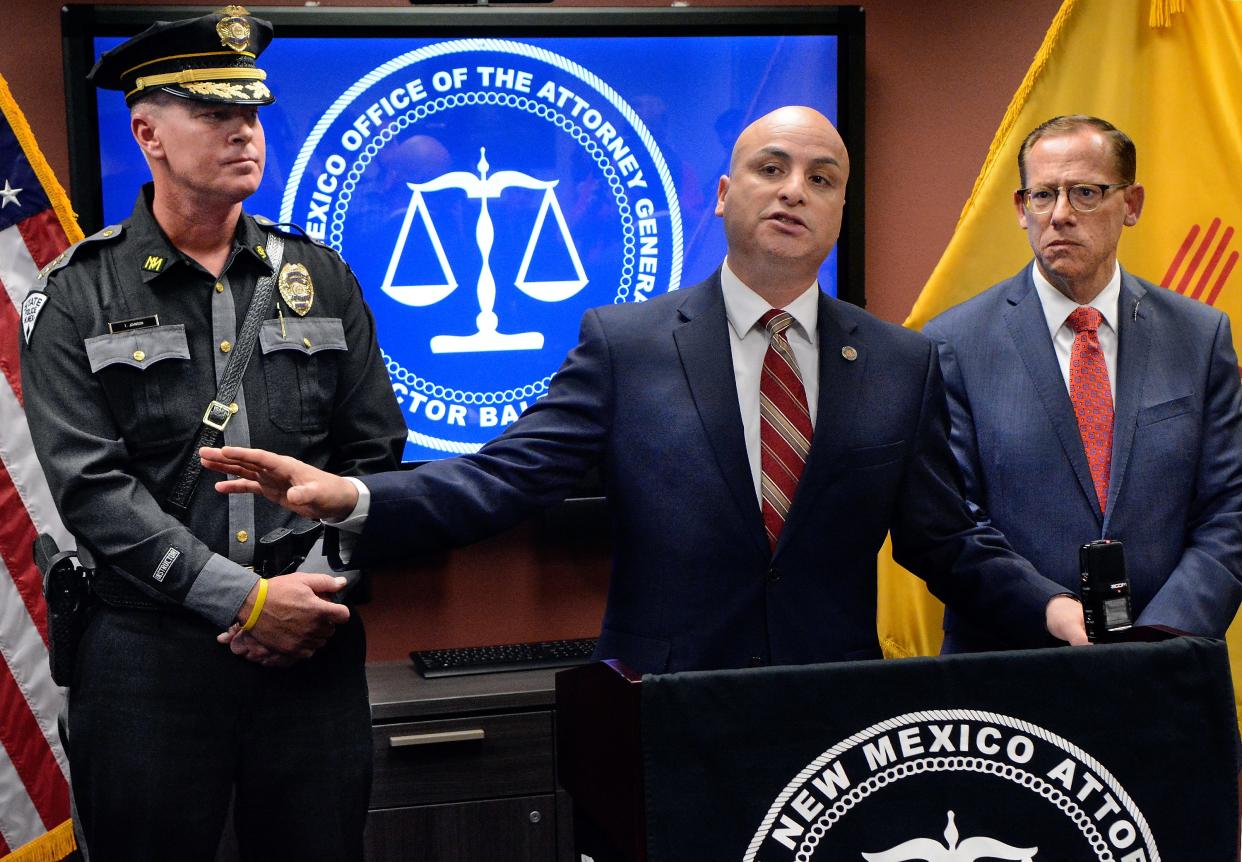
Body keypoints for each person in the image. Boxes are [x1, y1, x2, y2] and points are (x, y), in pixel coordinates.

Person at [203, 105, 1085, 676]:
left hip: (831, 706)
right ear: (721, 194)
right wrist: (351, 496)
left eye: (823, 179)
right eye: (771, 169)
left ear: (840, 211)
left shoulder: (901, 361)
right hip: (662, 701)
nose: (794, 192)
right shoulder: (627, 345)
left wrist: (1053, 608)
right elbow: (503, 479)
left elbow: (947, 540)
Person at [20, 8, 405, 860]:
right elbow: (92, 489)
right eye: (217, 114)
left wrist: (303, 593)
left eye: (253, 114)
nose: (245, 133)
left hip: (312, 639)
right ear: (148, 132)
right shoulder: (74, 295)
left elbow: (375, 455)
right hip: (149, 658)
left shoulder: (321, 276)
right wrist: (245, 602)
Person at [923, 115, 1242, 653]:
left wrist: (1160, 633)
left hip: (1166, 668)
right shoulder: (952, 344)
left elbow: (1229, 509)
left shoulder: (1199, 336)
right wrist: (1050, 609)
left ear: (1132, 204)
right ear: (1022, 209)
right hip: (1009, 670)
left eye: (1086, 193)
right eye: (1043, 195)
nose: (1061, 215)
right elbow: (952, 524)